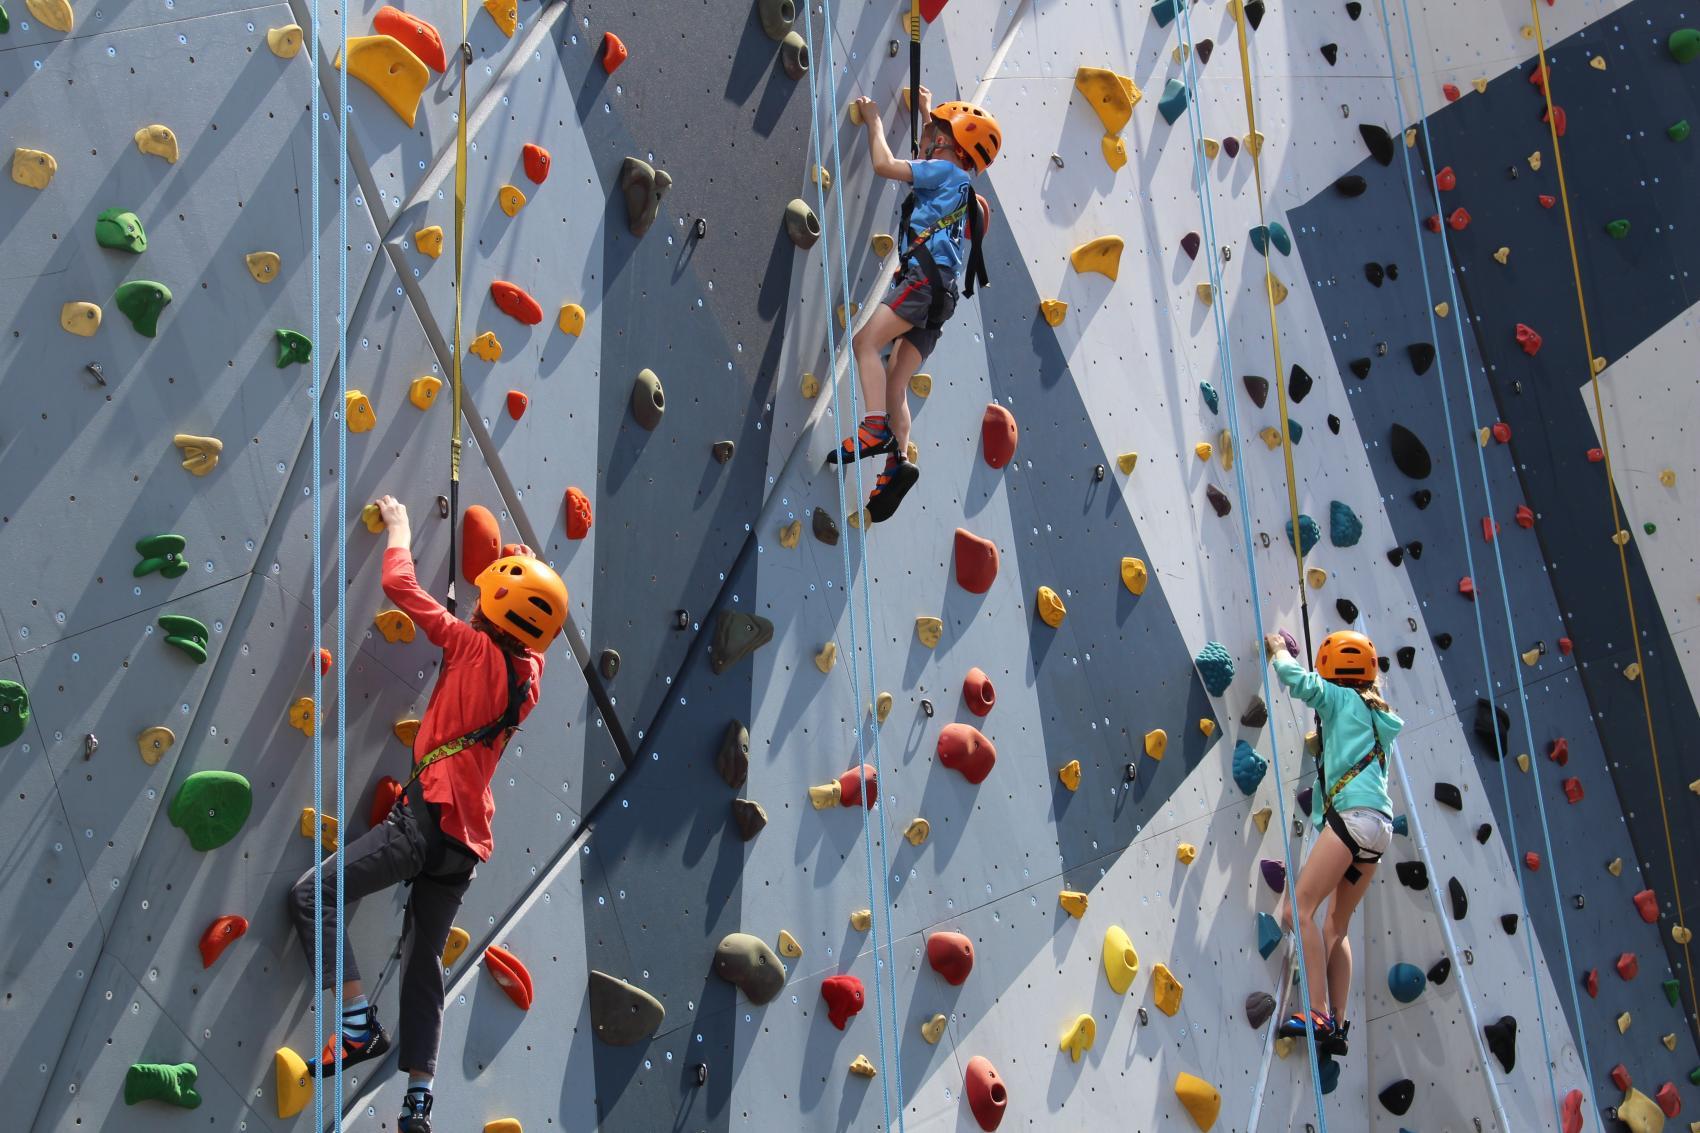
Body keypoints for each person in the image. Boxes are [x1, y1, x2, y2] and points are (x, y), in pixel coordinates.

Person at [287, 494, 567, 1133]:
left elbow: (398, 583)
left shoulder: (466, 645)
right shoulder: (530, 678)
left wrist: (400, 523)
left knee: (314, 896)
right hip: (465, 847)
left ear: (491, 606)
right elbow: (532, 626)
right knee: (424, 965)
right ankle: (419, 1100)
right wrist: (515, 572)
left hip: (425, 821)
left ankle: (355, 1023)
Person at [833, 86, 1000, 522]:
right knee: (896, 381)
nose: (926, 137)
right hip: (941, 297)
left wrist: (873, 120)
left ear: (947, 144)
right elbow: (929, 158)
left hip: (921, 280)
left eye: (933, 133)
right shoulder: (963, 189)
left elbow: (886, 164)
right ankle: (898, 461)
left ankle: (874, 429)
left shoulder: (945, 174)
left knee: (865, 344)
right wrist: (925, 109)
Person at [1264, 629, 1402, 1054]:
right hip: (1379, 828)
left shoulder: (1341, 700)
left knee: (1296, 909)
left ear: (1333, 669)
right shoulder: (1381, 720)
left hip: (1352, 821)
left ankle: (1319, 1013)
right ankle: (1339, 1026)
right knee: (1336, 927)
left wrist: (1279, 653)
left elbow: (1301, 683)